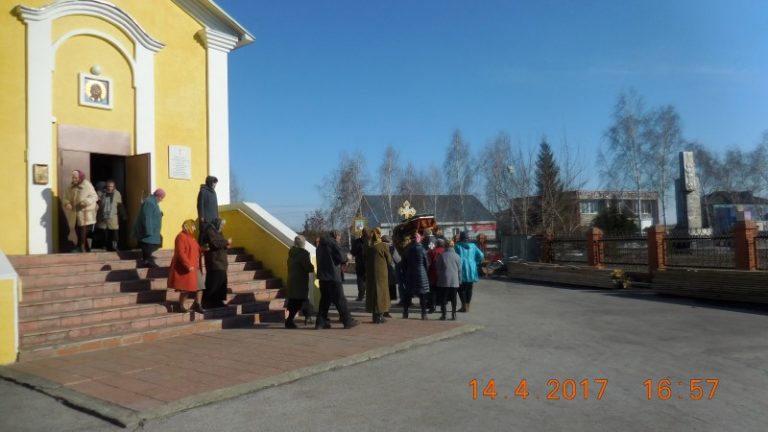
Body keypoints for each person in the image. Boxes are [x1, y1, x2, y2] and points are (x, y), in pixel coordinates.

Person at [315, 230, 359, 329]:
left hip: (323, 277)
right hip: (333, 276)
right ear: (336, 236)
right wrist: (347, 258)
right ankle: (347, 321)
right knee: (340, 299)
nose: (340, 239)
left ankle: (320, 322)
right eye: (339, 237)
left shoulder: (320, 246)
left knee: (324, 300)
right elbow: (341, 257)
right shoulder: (332, 243)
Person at [168, 219, 204, 314]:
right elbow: (180, 253)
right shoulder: (180, 237)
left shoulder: (192, 238)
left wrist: (203, 249)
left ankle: (197, 304)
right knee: (186, 288)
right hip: (186, 267)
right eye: (193, 226)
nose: (194, 228)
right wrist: (188, 265)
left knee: (200, 286)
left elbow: (196, 249)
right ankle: (180, 305)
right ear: (188, 226)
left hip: (195, 266)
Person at [62, 170, 98, 252]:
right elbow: (65, 198)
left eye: (76, 178)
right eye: (73, 177)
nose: (74, 179)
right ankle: (85, 249)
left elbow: (94, 196)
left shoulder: (87, 185)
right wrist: (67, 203)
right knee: (78, 230)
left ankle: (81, 247)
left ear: (81, 177)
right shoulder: (70, 187)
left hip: (86, 213)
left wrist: (85, 202)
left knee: (83, 232)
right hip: (75, 214)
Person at [285, 235, 314, 328]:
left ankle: (307, 317)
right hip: (300, 281)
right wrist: (312, 267)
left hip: (291, 279)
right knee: (300, 300)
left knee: (297, 299)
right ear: (303, 243)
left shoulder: (291, 253)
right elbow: (308, 268)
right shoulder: (304, 254)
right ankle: (291, 320)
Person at [365, 228, 393, 324]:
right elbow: (389, 260)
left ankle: (374, 316)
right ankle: (379, 316)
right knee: (381, 294)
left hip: (370, 273)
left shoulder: (368, 246)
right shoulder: (382, 245)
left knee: (372, 293)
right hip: (381, 273)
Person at [201, 218, 231, 309]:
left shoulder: (218, 232)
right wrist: (226, 242)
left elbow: (220, 243)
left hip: (220, 261)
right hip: (214, 261)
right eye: (221, 225)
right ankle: (207, 301)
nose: (222, 227)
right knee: (214, 282)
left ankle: (218, 301)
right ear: (217, 224)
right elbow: (214, 243)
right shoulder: (209, 231)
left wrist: (226, 245)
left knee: (221, 282)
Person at [132, 189, 165, 268]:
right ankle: (146, 260)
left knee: (154, 243)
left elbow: (153, 213)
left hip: (153, 230)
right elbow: (147, 217)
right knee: (148, 245)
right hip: (149, 229)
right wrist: (148, 230)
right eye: (162, 198)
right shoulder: (150, 202)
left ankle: (147, 259)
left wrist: (160, 214)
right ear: (159, 196)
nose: (161, 200)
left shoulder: (153, 202)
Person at [401, 232, 430, 320]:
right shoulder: (422, 249)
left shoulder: (407, 250)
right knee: (422, 295)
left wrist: (406, 273)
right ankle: (423, 314)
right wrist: (425, 272)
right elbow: (426, 263)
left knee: (408, 294)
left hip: (410, 273)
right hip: (421, 273)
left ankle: (405, 313)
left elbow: (404, 263)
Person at [455, 231, 484, 312]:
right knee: (470, 287)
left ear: (461, 238)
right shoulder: (473, 246)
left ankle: (463, 305)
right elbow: (481, 255)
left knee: (461, 288)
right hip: (472, 267)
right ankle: (468, 305)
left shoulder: (457, 246)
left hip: (461, 268)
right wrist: (475, 261)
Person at [435, 239, 461, 320]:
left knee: (443, 298)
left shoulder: (442, 256)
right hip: (454, 280)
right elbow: (460, 270)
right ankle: (454, 314)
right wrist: (460, 280)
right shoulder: (457, 256)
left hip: (444, 279)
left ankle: (444, 314)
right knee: (454, 298)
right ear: (453, 246)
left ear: (445, 246)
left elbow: (437, 267)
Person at [95, 180, 125, 251]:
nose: (109, 188)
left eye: (111, 186)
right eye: (108, 186)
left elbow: (120, 205)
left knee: (114, 232)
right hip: (103, 216)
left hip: (113, 216)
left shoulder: (117, 194)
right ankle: (104, 245)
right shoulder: (102, 193)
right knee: (104, 232)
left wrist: (123, 215)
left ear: (114, 187)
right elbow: (98, 202)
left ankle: (114, 246)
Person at [426, 237, 446, 313]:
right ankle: (442, 308)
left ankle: (432, 306)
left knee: (433, 291)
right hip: (443, 274)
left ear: (436, 244)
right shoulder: (445, 251)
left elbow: (429, 262)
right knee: (442, 291)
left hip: (433, 273)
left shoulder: (433, 251)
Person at [382, 235, 399, 316]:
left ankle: (382, 309)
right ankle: (387, 310)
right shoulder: (392, 248)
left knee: (383, 292)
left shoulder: (377, 247)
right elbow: (398, 259)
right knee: (389, 291)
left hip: (381, 272)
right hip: (390, 271)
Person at [350, 228, 369, 301]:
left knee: (360, 279)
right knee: (369, 279)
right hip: (369, 263)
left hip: (360, 262)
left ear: (362, 233)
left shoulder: (357, 241)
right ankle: (369, 295)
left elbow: (353, 252)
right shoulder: (371, 241)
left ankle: (361, 295)